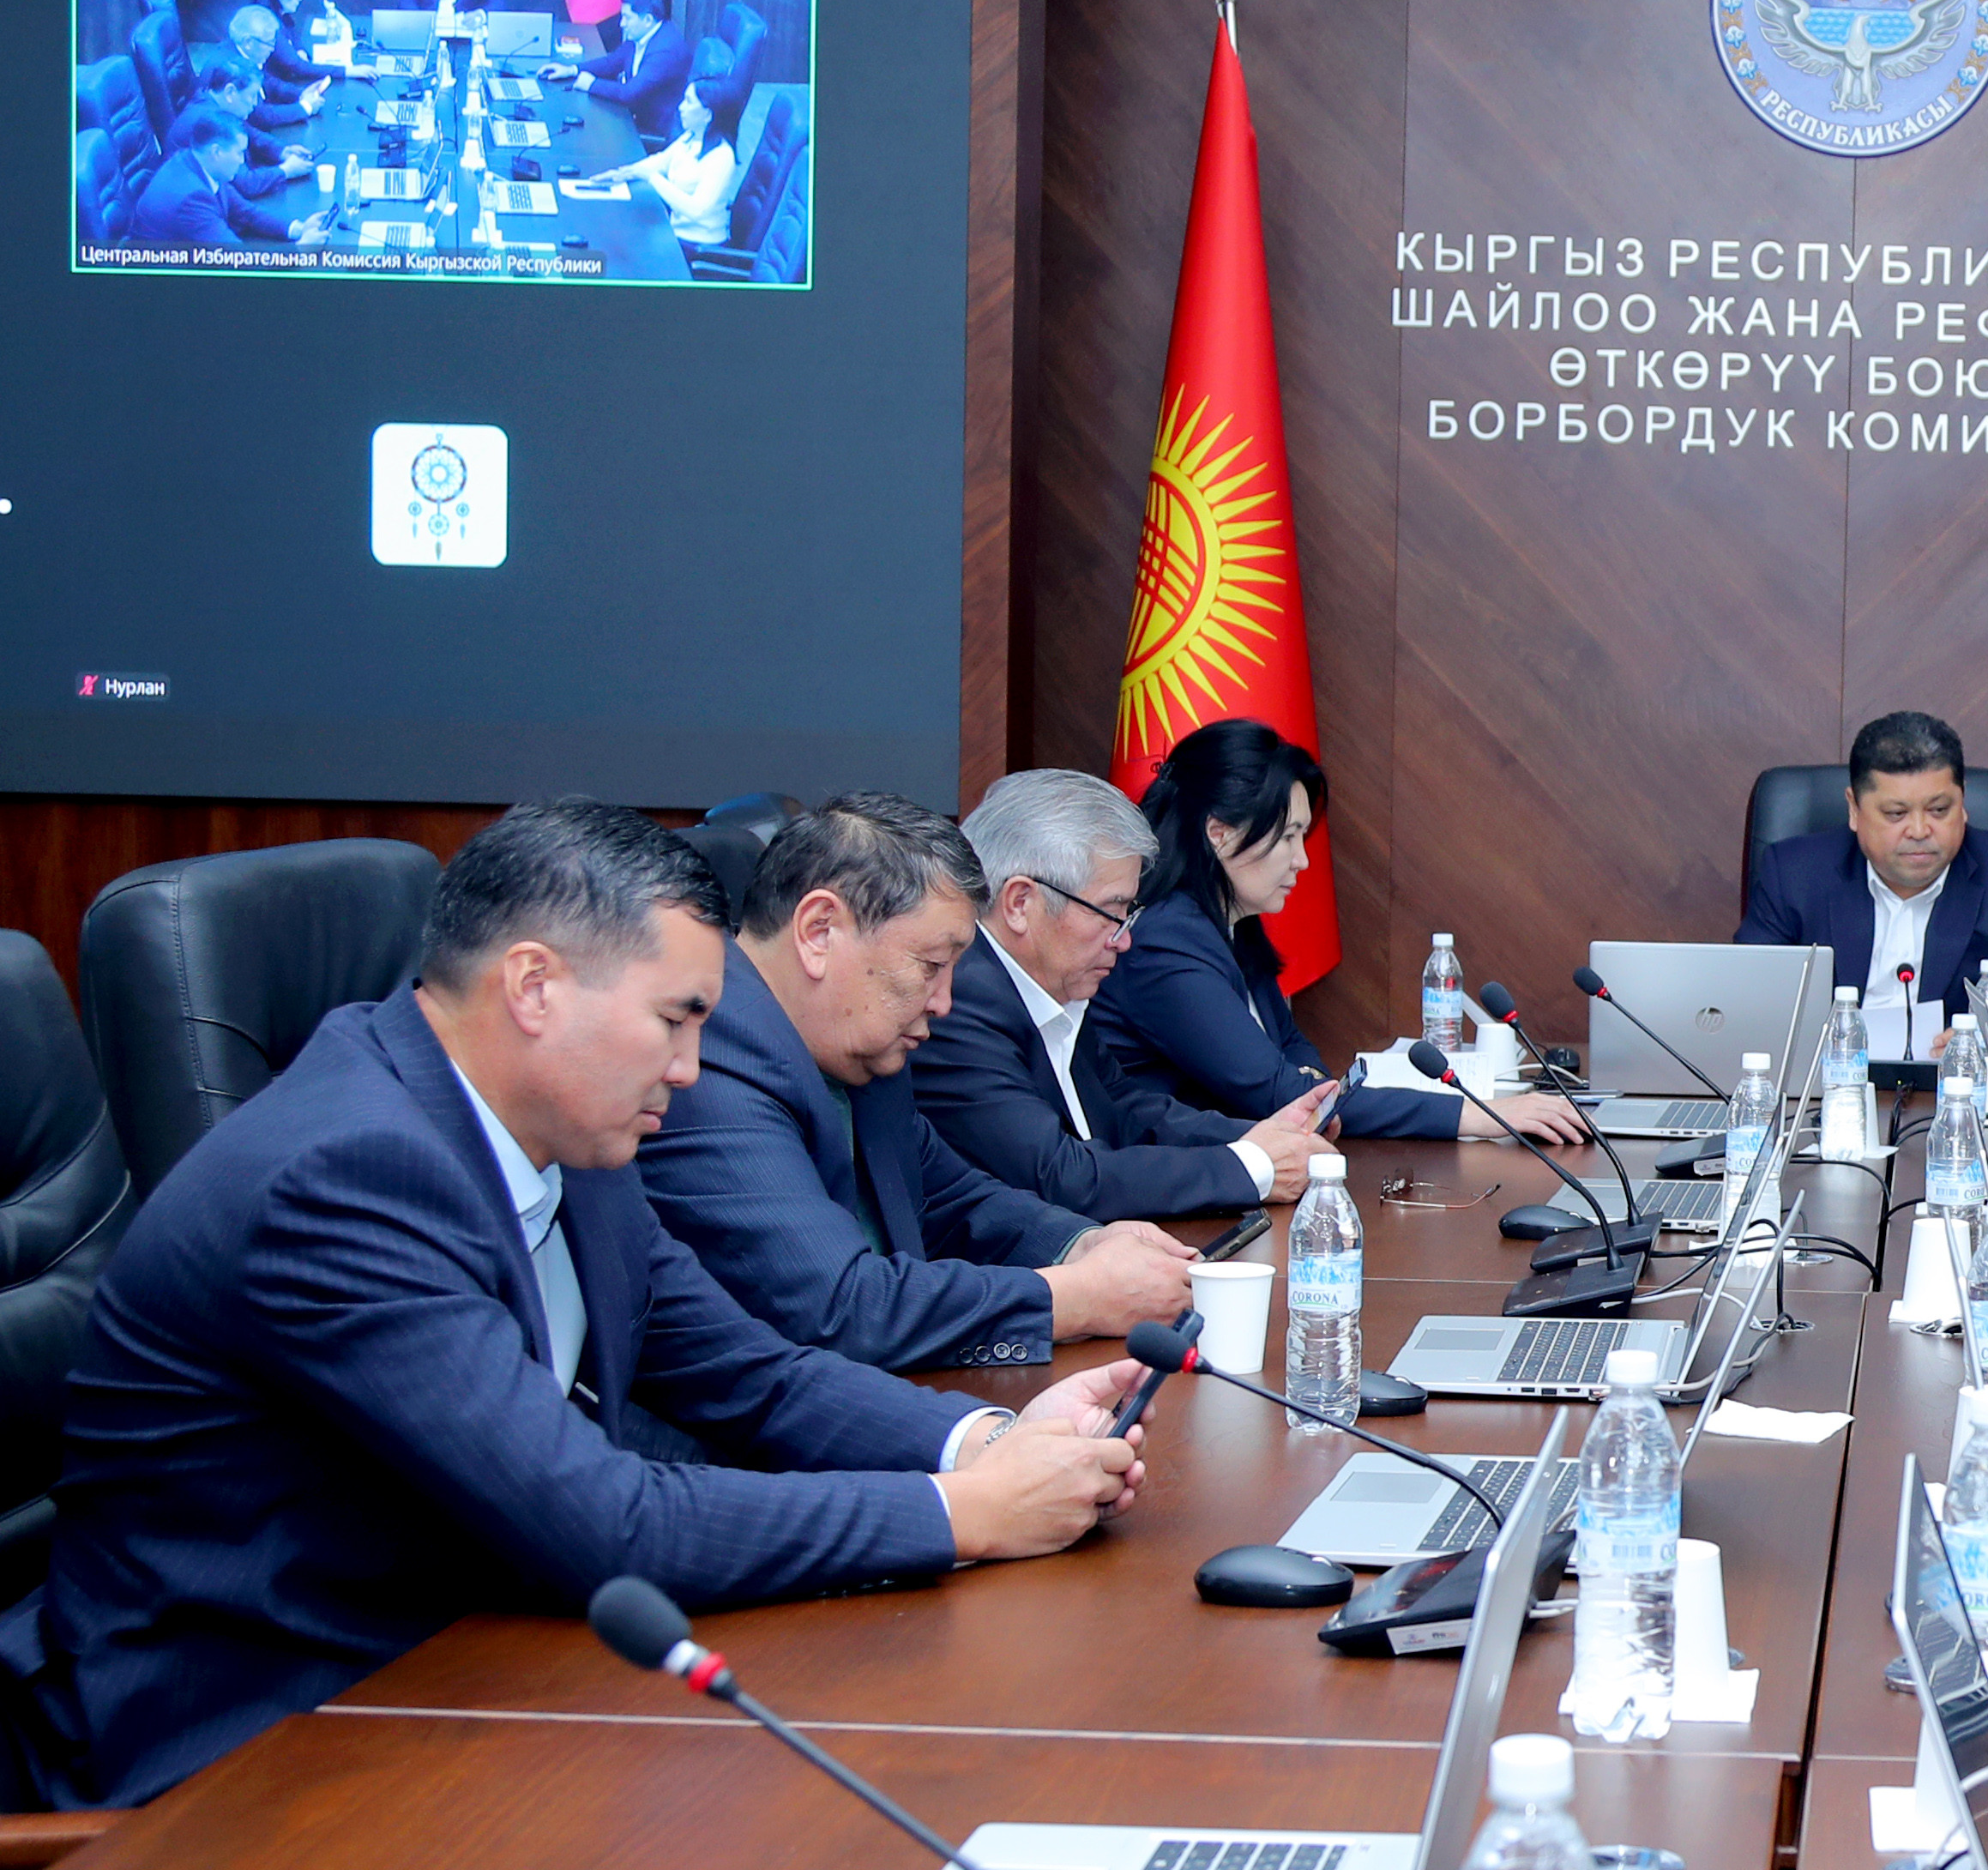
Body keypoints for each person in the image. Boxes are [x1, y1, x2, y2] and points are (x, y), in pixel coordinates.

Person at [0, 801, 1150, 1808]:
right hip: (258, 1743)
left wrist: (984, 1439)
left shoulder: (565, 1129)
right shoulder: (344, 1177)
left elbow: (746, 1370)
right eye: (675, 1019)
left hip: (474, 1657)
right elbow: (602, 1518)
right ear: (535, 987)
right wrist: (964, 1513)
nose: (692, 1069)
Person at [637, 793, 1200, 1375]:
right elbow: (843, 1309)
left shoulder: (859, 1047)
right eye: (931, 966)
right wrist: (1076, 1298)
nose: (944, 1002)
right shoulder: (709, 1059)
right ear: (820, 931)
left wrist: (1083, 1244)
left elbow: (951, 1198)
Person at [1091, 720, 1586, 1145]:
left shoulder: (1228, 923)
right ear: (1218, 833)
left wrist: (1311, 1087)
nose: (1302, 860)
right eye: (1288, 836)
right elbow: (1278, 1094)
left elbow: (1293, 1048)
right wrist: (1480, 1116)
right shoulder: (1164, 940)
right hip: (1168, 1191)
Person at [919, 769, 1339, 1222]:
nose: (1124, 940)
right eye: (1111, 912)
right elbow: (1061, 1178)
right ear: (1021, 903)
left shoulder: (1051, 984)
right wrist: (1254, 1167)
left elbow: (1128, 1110)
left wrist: (1267, 1136)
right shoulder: (959, 1001)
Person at [1736, 710, 1988, 1051]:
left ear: (1963, 803)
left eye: (1939, 810)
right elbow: (1747, 1001)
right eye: (1896, 814)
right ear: (1854, 808)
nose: (1919, 830)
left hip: (1958, 1079)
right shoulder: (1794, 873)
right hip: (1833, 1077)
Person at [589, 38, 742, 246]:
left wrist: (651, 177)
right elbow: (661, 161)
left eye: (689, 102)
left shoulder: (722, 157)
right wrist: (622, 173)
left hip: (697, 244)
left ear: (708, 114)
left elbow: (696, 210)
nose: (681, 107)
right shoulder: (691, 137)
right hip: (675, 231)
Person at [125, 106, 324, 250]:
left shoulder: (197, 162)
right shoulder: (191, 198)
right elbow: (238, 261)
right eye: (239, 153)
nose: (242, 161)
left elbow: (245, 212)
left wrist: (297, 229)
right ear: (217, 152)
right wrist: (300, 250)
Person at [547, 0, 688, 140]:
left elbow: (630, 93)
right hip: (634, 115)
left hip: (655, 129)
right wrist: (572, 70)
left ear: (647, 20)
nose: (622, 24)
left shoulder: (665, 51)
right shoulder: (644, 34)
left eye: (627, 18)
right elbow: (612, 62)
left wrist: (591, 84)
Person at [188, 50, 312, 190]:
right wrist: (286, 171)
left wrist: (283, 151)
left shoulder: (217, 106)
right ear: (230, 92)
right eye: (252, 96)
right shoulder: (207, 120)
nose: (255, 103)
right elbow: (245, 183)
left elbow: (251, 133)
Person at [225, 3, 329, 125]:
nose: (272, 48)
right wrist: (306, 107)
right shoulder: (232, 68)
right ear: (248, 42)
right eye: (269, 43)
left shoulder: (246, 52)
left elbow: (268, 81)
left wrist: (301, 93)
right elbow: (260, 116)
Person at [244, 0, 335, 88]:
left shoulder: (281, 13)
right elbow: (297, 66)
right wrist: (351, 71)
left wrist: (300, 50)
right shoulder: (267, 24)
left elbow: (293, 35)